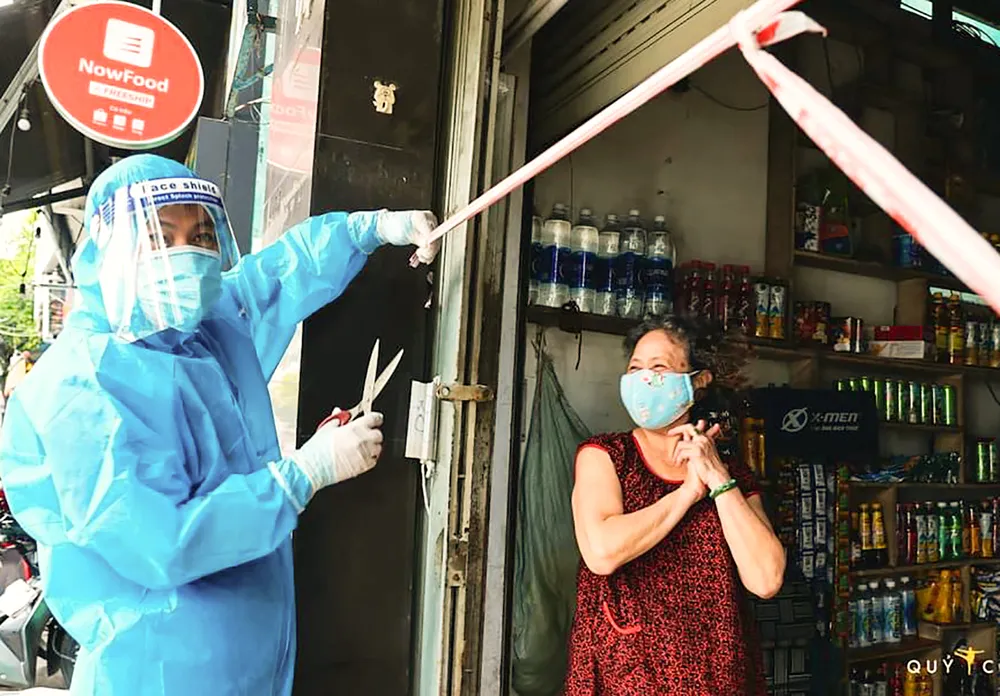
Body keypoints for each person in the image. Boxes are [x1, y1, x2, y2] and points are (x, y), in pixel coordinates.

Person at [0, 154, 441, 695]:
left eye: (202, 235)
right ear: (106, 249)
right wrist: (302, 474)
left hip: (250, 662)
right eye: (161, 235)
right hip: (156, 671)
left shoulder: (202, 330)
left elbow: (276, 276)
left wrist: (367, 230)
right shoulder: (80, 387)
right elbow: (160, 540)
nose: (186, 253)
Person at [565, 315, 786, 695]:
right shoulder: (606, 455)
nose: (642, 379)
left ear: (699, 382)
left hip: (717, 677)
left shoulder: (731, 475)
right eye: (634, 368)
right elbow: (601, 553)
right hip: (627, 676)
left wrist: (718, 480)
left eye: (659, 368)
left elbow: (766, 579)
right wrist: (686, 494)